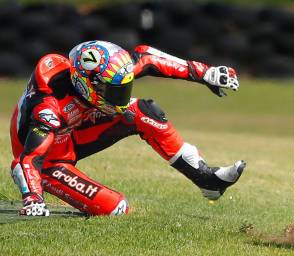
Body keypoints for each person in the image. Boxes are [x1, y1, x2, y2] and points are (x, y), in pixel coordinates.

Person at [10, 40, 246, 216]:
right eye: (113, 90)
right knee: (116, 209)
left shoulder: (102, 73)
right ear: (85, 84)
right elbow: (30, 158)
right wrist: (33, 197)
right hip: (48, 161)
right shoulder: (48, 107)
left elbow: (149, 57)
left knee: (144, 111)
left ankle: (207, 180)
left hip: (73, 131)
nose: (121, 96)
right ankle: (36, 187)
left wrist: (207, 73)